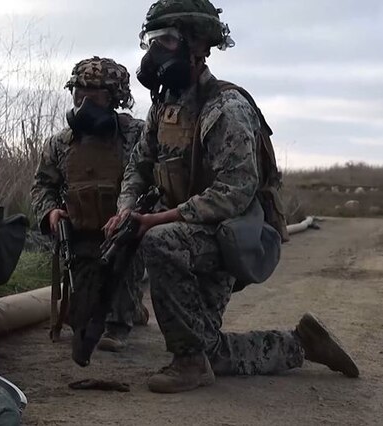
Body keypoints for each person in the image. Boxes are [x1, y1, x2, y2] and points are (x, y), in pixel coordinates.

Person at [106, 0, 359, 393]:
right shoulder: (164, 109)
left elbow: (235, 192)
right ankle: (300, 344)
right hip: (192, 232)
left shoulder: (226, 109)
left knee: (157, 241)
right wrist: (125, 210)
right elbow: (138, 167)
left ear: (198, 48)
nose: (155, 53)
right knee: (213, 350)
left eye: (168, 41)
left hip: (233, 236)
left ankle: (189, 364)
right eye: (152, 41)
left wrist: (157, 219)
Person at [30, 56, 148, 352]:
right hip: (81, 237)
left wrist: (133, 215)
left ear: (113, 99)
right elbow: (42, 185)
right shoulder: (60, 143)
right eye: (77, 96)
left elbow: (153, 180)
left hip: (123, 238)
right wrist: (50, 212)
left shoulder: (136, 135)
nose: (82, 104)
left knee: (118, 279)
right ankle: (122, 307)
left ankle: (123, 318)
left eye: (91, 98)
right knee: (80, 320)